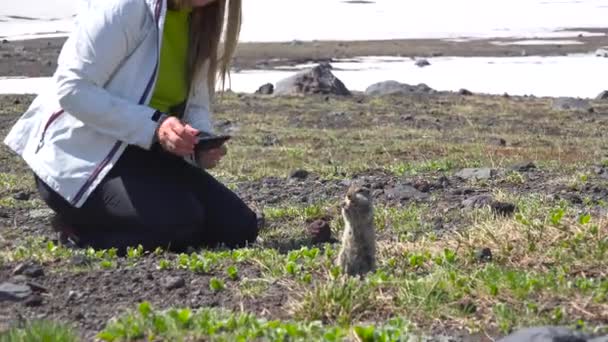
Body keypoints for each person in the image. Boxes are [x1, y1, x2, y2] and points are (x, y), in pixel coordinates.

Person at [3, 0, 259, 252]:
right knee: (179, 222)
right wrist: (155, 126)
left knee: (238, 228)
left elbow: (195, 104)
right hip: (77, 159)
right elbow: (72, 89)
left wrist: (197, 141)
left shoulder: (201, 21)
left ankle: (137, 220)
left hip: (141, 152)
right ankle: (78, 231)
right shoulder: (127, 6)